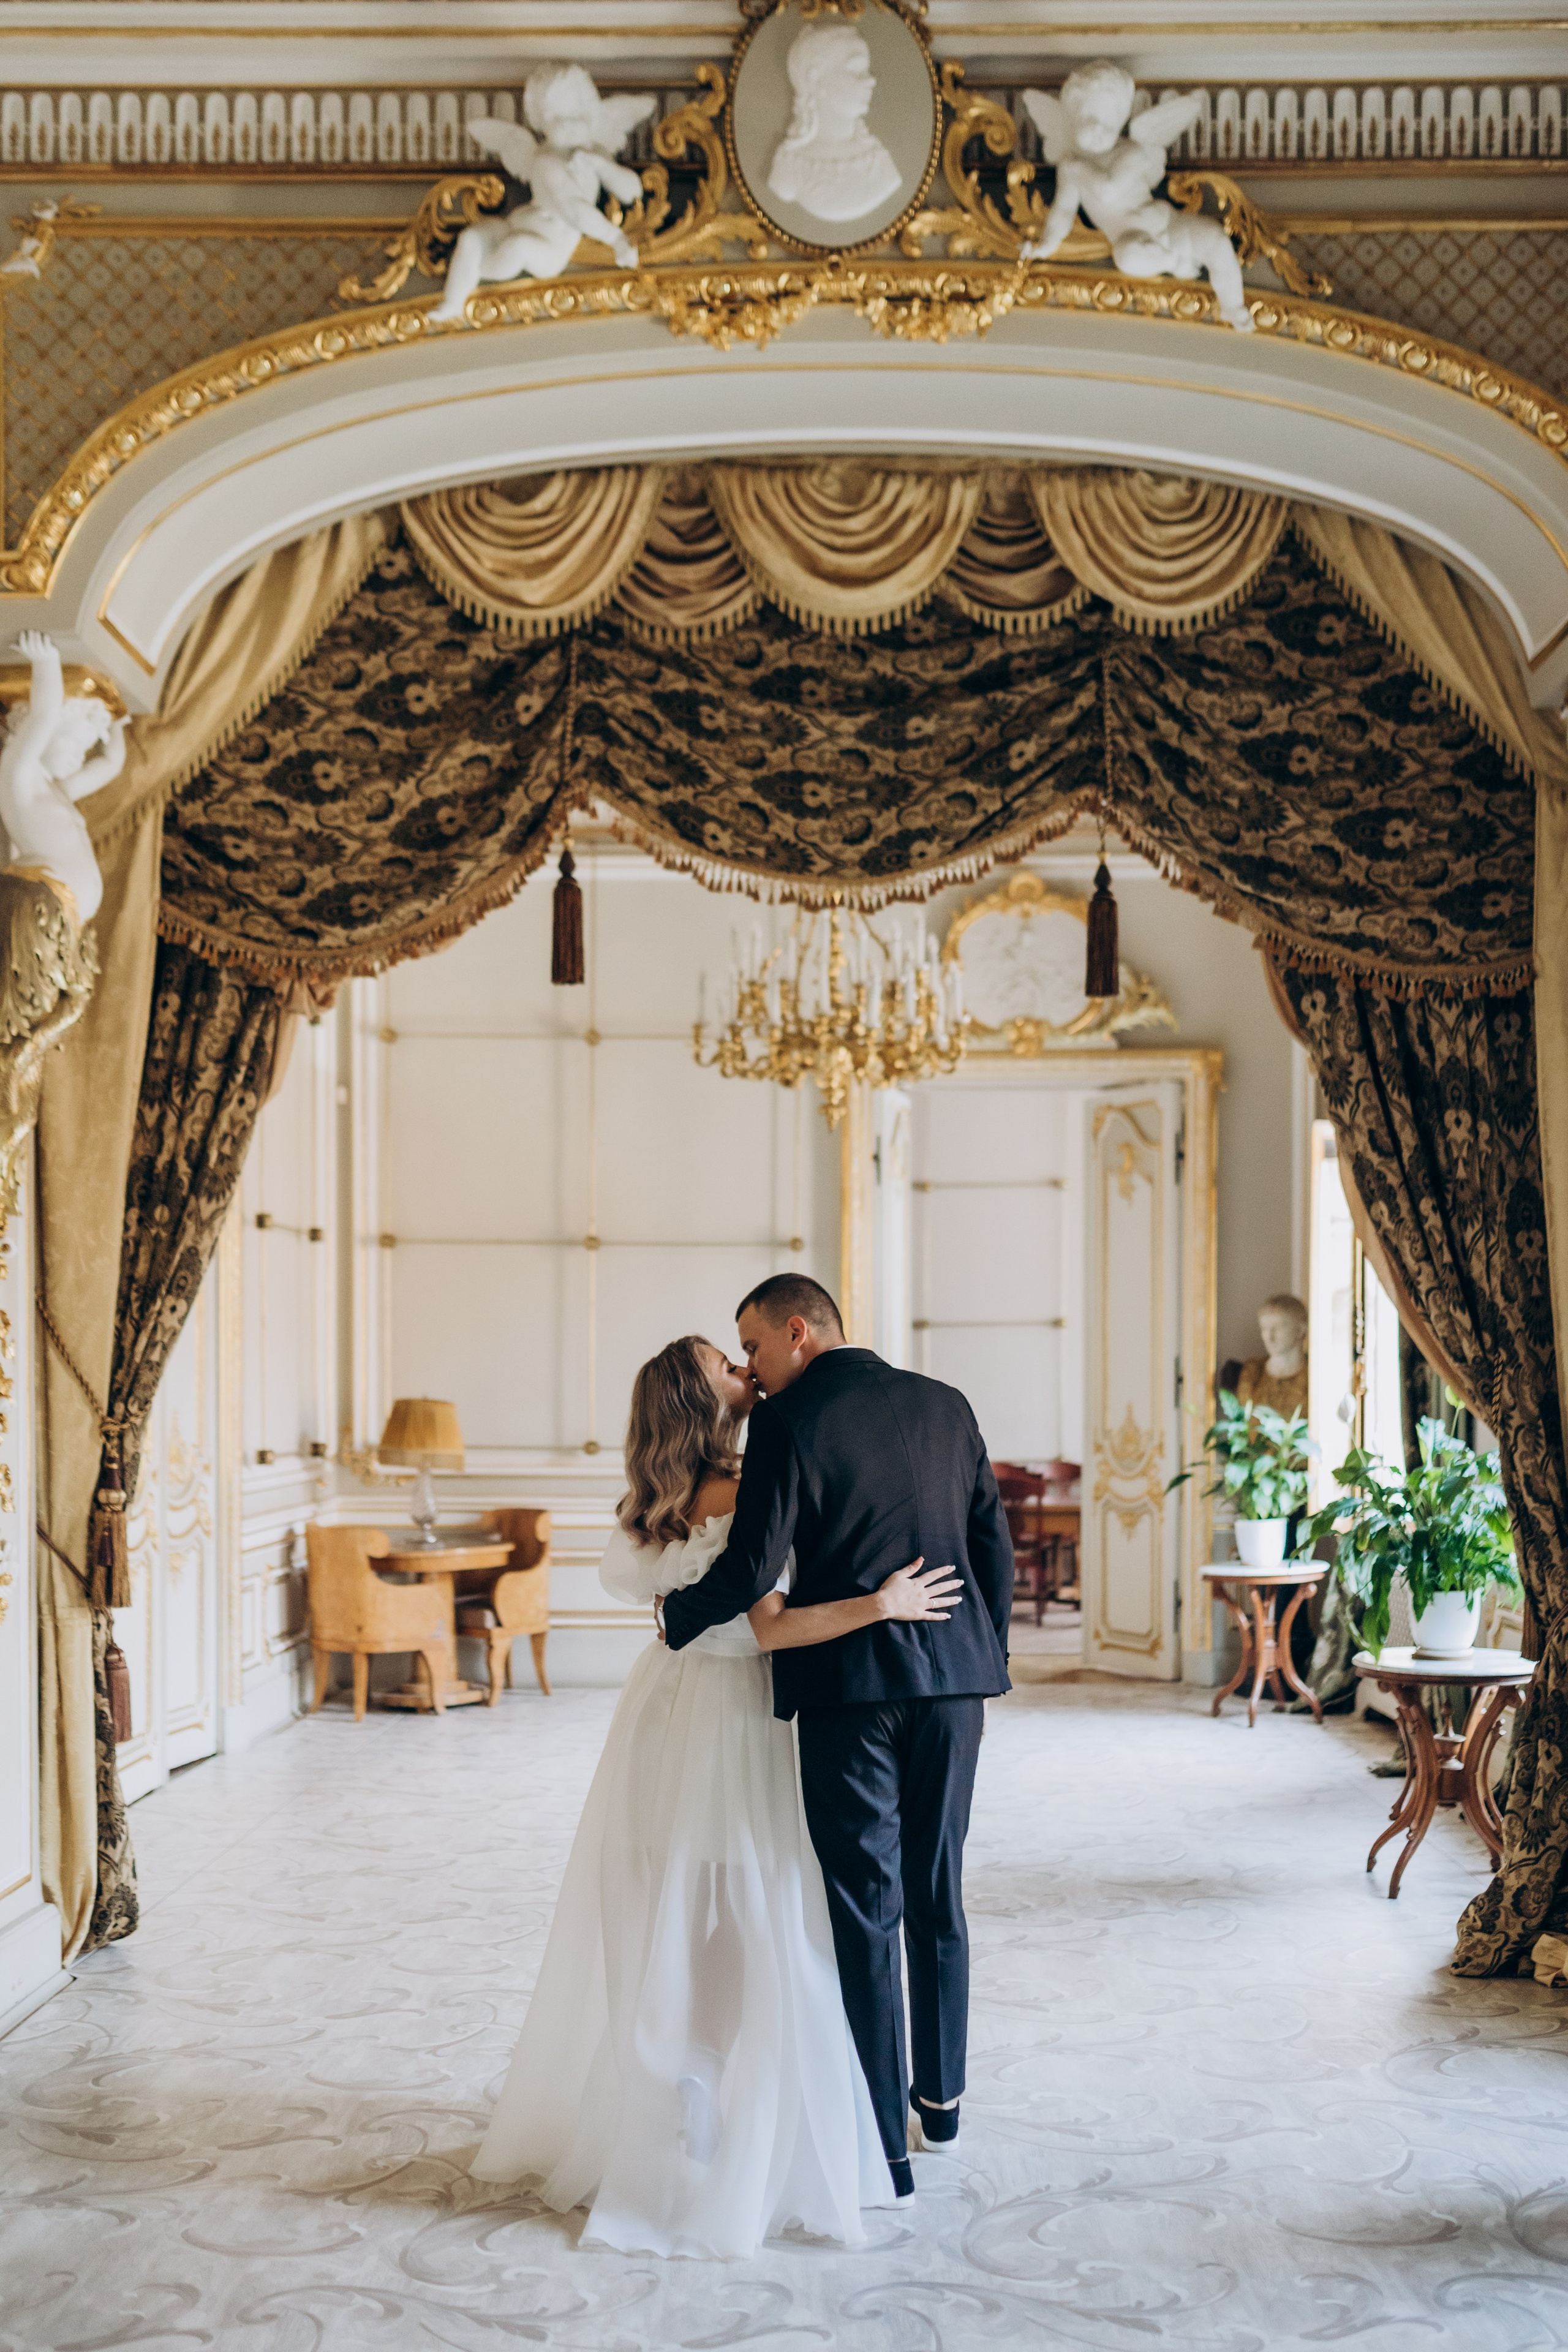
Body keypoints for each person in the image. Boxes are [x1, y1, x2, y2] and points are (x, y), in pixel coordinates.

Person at [471, 1333, 962, 2256]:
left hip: (662, 1712)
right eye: (725, 1366)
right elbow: (771, 1629)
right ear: (709, 1401)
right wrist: (881, 1605)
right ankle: (721, 2085)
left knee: (676, 1907)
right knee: (759, 1910)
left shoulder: (648, 1498)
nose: (747, 1373)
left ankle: (675, 2076)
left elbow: (673, 1615)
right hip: (739, 1718)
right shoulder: (746, 1489)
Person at [662, 1275, 1013, 2202]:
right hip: (954, 1684)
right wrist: (983, 1649)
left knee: (868, 1906)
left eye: (757, 1349)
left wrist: (677, 1617)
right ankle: (941, 2105)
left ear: (798, 1331)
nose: (753, 1371)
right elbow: (992, 1547)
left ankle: (881, 2141)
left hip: (850, 1689)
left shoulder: (789, 1419)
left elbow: (749, 1562)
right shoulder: (948, 1404)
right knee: (941, 1891)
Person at [766, 17, 902, 225]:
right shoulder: (790, 167)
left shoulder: (878, 163)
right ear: (816, 80)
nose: (870, 80)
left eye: (867, 71)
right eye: (857, 71)